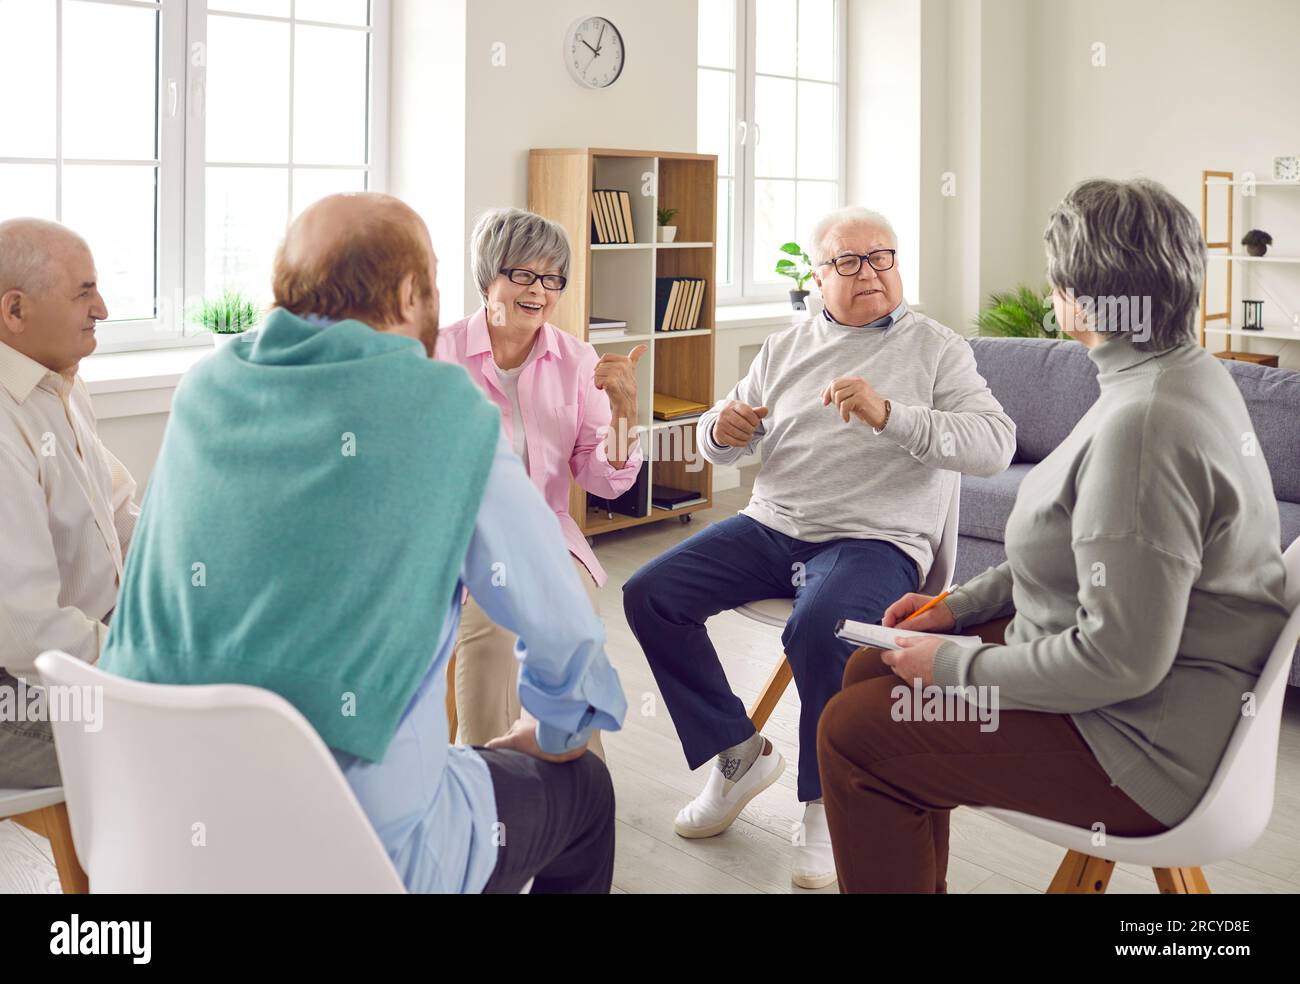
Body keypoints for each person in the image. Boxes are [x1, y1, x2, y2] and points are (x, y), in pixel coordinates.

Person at [99, 193, 627, 894]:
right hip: (357, 850)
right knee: (586, 790)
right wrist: (558, 730)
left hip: (153, 827)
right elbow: (565, 636)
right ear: (412, 292)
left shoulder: (206, 387)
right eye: (434, 279)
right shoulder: (444, 406)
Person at [817, 177, 1290, 893]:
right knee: (870, 673)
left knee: (854, 733)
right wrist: (958, 608)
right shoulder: (1175, 374)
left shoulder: (1144, 426)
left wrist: (951, 669)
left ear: (1080, 294)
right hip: (1153, 698)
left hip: (1140, 747)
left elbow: (1119, 662)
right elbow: (1075, 544)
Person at [623, 205, 1015, 888]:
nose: (871, 272)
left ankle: (822, 806)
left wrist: (890, 415)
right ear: (818, 275)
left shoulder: (937, 347)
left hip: (874, 538)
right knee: (648, 594)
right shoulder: (786, 345)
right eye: (850, 261)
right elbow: (719, 446)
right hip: (772, 524)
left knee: (820, 627)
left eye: (883, 257)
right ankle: (738, 753)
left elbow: (994, 444)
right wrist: (724, 427)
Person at [438, 208, 644, 758]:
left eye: (553, 278)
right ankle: (484, 787)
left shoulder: (576, 359)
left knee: (575, 625)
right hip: (462, 538)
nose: (540, 291)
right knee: (493, 635)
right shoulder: (438, 353)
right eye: (524, 275)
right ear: (488, 277)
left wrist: (625, 412)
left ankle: (580, 787)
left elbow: (602, 480)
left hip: (547, 534)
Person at [0, 218, 139, 787]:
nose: (102, 308)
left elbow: (122, 518)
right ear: (14, 311)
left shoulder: (61, 381)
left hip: (63, 648)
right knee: (179, 740)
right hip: (14, 687)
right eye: (83, 292)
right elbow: (29, 635)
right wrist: (146, 665)